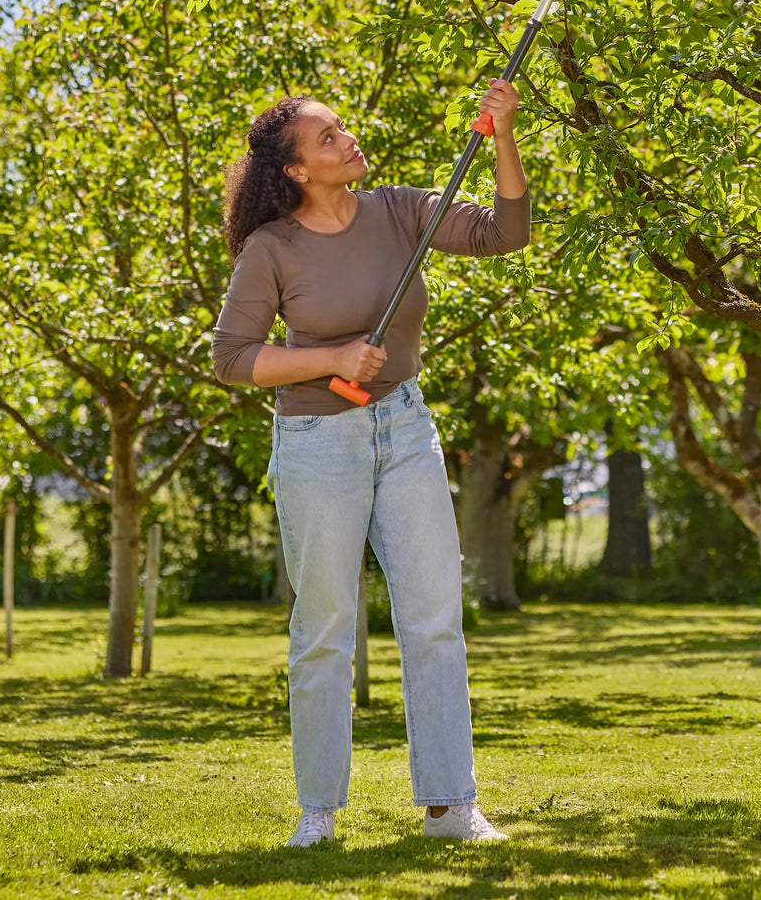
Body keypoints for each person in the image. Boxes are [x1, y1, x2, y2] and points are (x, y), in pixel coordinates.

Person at [212, 79, 529, 847]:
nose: (347, 139)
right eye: (327, 138)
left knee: (433, 621)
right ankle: (318, 810)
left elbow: (506, 233)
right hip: (319, 442)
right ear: (295, 171)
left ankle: (451, 807)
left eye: (342, 128)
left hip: (406, 429)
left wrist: (505, 136)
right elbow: (233, 358)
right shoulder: (271, 250)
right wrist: (331, 357)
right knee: (325, 626)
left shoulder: (402, 211)